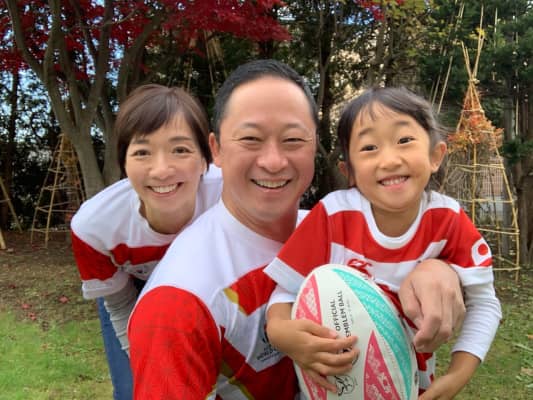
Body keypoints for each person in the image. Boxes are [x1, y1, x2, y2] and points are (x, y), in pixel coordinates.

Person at [128, 61, 466, 399]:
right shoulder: (178, 303)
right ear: (216, 149)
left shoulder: (331, 235)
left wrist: (439, 267)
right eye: (250, 139)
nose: (273, 161)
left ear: (314, 145)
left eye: (293, 139)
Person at [264, 87, 502, 398]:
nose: (389, 160)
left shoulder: (449, 220)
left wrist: (457, 375)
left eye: (404, 140)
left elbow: (484, 303)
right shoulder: (333, 215)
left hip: (413, 389)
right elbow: (287, 290)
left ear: (435, 156)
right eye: (369, 147)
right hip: (334, 387)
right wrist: (280, 332)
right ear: (349, 171)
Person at [70, 84, 222, 400]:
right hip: (133, 293)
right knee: (133, 390)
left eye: (180, 150)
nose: (161, 170)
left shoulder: (231, 195)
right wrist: (146, 364)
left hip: (210, 289)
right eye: (142, 152)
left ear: (205, 158)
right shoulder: (94, 226)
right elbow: (119, 303)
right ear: (124, 163)